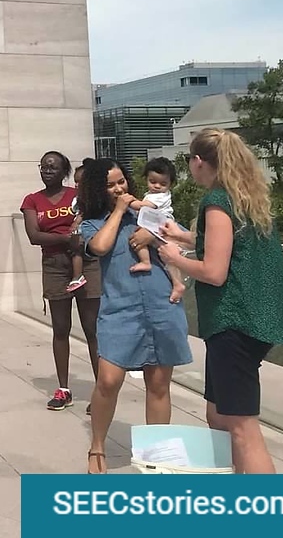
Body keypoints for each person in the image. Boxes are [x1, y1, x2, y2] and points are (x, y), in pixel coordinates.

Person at [149, 129, 283, 474]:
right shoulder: (245, 196)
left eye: (190, 160)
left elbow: (214, 271)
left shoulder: (216, 201)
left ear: (200, 162)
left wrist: (174, 256)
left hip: (235, 322)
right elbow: (230, 246)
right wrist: (185, 236)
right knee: (217, 414)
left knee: (242, 427)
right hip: (258, 318)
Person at [79, 158, 192, 475]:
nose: (119, 189)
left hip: (160, 305)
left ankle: (156, 454)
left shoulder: (148, 212)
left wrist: (151, 236)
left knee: (158, 384)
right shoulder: (91, 222)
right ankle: (97, 445)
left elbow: (183, 240)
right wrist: (117, 211)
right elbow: (99, 247)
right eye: (110, 185)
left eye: (121, 182)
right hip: (120, 309)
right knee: (108, 381)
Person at [21, 151, 100, 412]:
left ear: (64, 170)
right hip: (54, 266)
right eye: (43, 166)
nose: (47, 170)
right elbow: (34, 235)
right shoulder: (32, 200)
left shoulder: (77, 194)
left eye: (53, 167)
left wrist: (76, 240)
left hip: (86, 263)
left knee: (92, 329)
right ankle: (63, 389)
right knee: (60, 328)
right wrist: (66, 239)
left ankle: (101, 391)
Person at [127, 157, 186, 303]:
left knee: (169, 256)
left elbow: (143, 206)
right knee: (140, 240)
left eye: (163, 183)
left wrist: (127, 200)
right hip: (154, 224)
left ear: (170, 184)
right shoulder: (151, 194)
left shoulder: (160, 196)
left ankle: (177, 283)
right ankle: (146, 262)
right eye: (152, 182)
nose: (157, 186)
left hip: (161, 226)